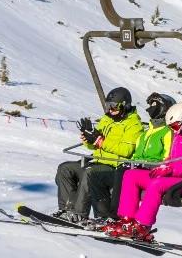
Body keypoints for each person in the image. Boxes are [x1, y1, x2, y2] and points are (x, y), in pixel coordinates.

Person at [105, 102, 182, 243]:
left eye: (175, 126)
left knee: (157, 184)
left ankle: (143, 225)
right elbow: (173, 157)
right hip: (173, 177)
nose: (175, 131)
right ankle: (127, 220)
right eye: (171, 128)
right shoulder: (181, 134)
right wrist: (164, 165)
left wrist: (171, 170)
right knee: (131, 175)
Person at [82, 92, 174, 228]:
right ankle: (109, 217)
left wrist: (148, 165)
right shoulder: (149, 130)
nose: (149, 109)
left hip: (151, 171)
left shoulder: (167, 131)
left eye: (154, 106)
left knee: (123, 171)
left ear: (164, 109)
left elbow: (168, 157)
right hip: (137, 168)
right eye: (149, 105)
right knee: (97, 175)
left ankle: (117, 217)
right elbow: (137, 153)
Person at [54, 87, 141, 223]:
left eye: (113, 106)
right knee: (65, 169)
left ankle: (79, 214)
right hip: (97, 161)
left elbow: (126, 150)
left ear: (125, 105)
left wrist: (101, 141)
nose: (110, 110)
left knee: (89, 172)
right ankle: (67, 209)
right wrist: (88, 138)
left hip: (114, 167)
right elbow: (95, 144)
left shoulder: (133, 124)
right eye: (108, 106)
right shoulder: (107, 119)